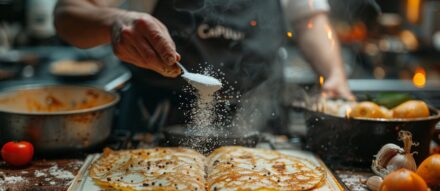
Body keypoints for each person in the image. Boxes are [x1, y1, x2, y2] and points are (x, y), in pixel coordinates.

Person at [54, 0, 354, 132]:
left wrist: (335, 75)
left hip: (261, 127)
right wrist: (115, 22)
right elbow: (68, 12)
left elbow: (311, 19)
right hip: (155, 129)